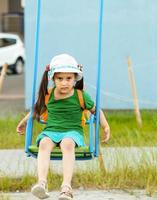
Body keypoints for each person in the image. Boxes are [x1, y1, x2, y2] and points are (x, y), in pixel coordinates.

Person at [16, 54, 110, 200]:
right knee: (44, 143)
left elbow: (97, 111)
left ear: (75, 79)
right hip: (51, 131)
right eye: (60, 79)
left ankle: (66, 187)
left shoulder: (81, 96)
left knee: (67, 143)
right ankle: (42, 183)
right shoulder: (48, 95)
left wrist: (105, 126)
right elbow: (35, 110)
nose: (64, 83)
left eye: (68, 78)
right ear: (53, 79)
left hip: (72, 132)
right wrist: (23, 122)